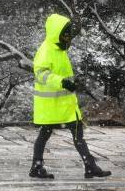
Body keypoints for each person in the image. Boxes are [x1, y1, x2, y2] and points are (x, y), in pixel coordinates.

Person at [29, 13, 111, 179]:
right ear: (56, 32)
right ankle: (89, 166)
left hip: (63, 103)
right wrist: (63, 82)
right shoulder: (46, 50)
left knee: (65, 132)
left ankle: (38, 167)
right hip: (52, 103)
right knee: (53, 133)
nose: (68, 36)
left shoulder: (59, 49)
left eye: (69, 32)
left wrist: (69, 82)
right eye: (65, 32)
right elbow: (41, 73)